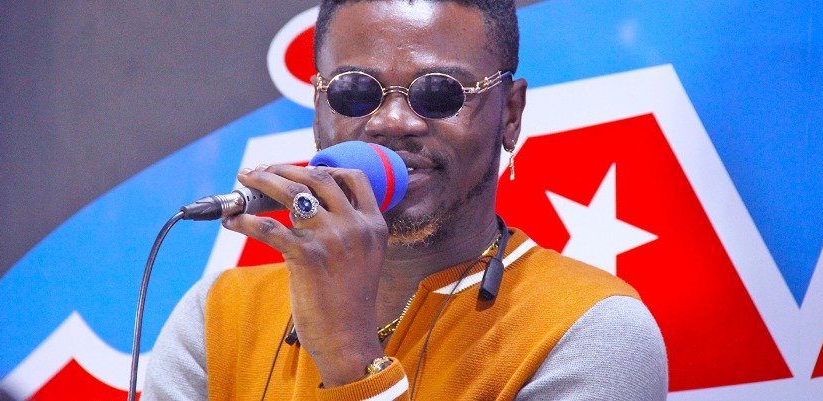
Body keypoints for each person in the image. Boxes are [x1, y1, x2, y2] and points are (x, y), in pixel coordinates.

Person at [144, 1, 668, 400]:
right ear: (319, 106)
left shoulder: (589, 327)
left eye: (439, 93)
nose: (392, 122)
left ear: (510, 114)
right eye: (355, 91)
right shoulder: (217, 315)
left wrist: (349, 358)